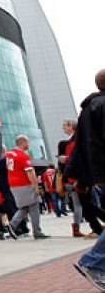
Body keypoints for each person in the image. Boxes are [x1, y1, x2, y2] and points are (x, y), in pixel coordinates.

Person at [70, 69, 105, 290]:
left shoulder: (88, 109)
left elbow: (81, 147)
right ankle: (93, 262)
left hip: (97, 175)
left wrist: (82, 179)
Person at [5, 135, 49, 240]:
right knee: (34, 205)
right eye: (27, 142)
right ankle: (37, 231)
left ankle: (12, 225)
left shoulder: (9, 154)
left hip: (14, 185)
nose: (28, 144)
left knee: (25, 206)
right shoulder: (22, 156)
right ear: (22, 142)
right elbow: (30, 172)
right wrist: (36, 186)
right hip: (24, 184)